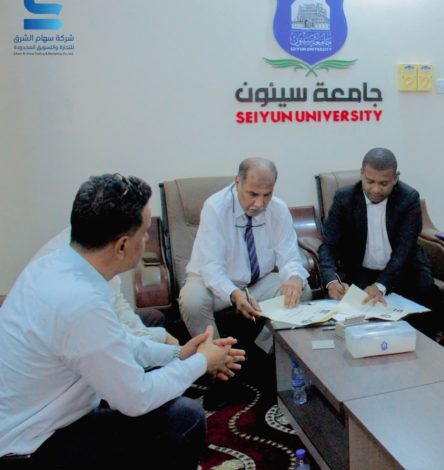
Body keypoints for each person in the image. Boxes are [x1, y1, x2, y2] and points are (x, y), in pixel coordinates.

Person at [0, 174, 244, 468]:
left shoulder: (55, 266)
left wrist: (178, 354)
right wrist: (202, 362)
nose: (147, 239)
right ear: (122, 246)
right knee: (183, 419)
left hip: (31, 423)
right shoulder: (80, 302)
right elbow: (136, 399)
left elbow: (116, 341)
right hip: (31, 449)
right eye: (144, 232)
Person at [179, 157, 312, 354]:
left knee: (301, 290)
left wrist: (294, 277)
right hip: (212, 283)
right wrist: (234, 294)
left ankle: (263, 350)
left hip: (257, 283)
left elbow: (289, 256)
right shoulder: (215, 207)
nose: (259, 203)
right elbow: (211, 267)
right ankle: (217, 356)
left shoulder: (278, 209)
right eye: (253, 194)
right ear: (238, 182)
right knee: (192, 300)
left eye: (267, 194)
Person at [318, 147, 437, 325]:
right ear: (361, 174)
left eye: (383, 183)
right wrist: (331, 281)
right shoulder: (344, 198)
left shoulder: (408, 198)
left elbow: (404, 250)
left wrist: (381, 285)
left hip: (404, 268)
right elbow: (328, 245)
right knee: (358, 312)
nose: (375, 189)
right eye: (370, 181)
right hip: (362, 270)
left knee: (424, 288)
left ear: (395, 178)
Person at [31, 227, 179, 345]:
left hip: (96, 331)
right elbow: (111, 336)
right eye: (142, 231)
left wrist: (150, 335)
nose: (146, 237)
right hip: (71, 352)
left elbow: (117, 304)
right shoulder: (73, 276)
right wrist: (164, 341)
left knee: (153, 318)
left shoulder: (97, 243)